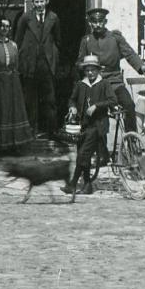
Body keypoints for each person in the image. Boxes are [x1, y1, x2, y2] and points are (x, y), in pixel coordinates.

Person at [76, 6, 145, 137]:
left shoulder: (115, 38)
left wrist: (142, 67)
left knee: (129, 105)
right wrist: (87, 65)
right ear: (90, 23)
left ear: (105, 22)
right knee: (92, 112)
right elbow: (79, 63)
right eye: (94, 22)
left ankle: (131, 141)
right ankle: (93, 143)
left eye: (100, 21)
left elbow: (130, 54)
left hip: (114, 82)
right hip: (95, 84)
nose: (98, 24)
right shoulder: (86, 41)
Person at [62, 53, 110, 197]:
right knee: (83, 155)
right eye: (87, 70)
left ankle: (72, 184)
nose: (90, 73)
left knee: (83, 154)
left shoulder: (104, 84)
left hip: (97, 126)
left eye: (93, 70)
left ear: (98, 70)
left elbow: (112, 100)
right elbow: (72, 99)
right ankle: (87, 184)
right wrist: (72, 107)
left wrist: (96, 106)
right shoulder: (81, 85)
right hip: (83, 126)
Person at [15, 0, 61, 139]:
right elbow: (18, 40)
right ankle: (31, 132)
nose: (39, 4)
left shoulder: (53, 18)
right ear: (33, 3)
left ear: (46, 1)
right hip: (30, 65)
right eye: (36, 2)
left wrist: (53, 56)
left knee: (50, 100)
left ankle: (52, 132)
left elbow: (58, 41)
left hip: (47, 65)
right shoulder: (25, 18)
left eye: (42, 1)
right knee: (30, 100)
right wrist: (23, 60)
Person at [0, 16, 33, 155]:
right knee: (2, 110)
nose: (4, 29)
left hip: (13, 82)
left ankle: (15, 144)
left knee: (15, 111)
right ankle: (0, 146)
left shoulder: (14, 45)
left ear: (10, 29)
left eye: (7, 26)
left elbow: (17, 64)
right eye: (2, 26)